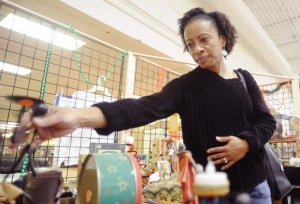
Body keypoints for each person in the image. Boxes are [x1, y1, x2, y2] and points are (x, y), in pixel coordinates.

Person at [14, 7, 275, 204]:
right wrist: (77, 116)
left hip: (256, 185)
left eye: (204, 40)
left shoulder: (244, 79)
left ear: (223, 39)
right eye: (190, 44)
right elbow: (141, 108)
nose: (197, 49)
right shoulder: (185, 87)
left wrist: (246, 144)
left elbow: (266, 122)